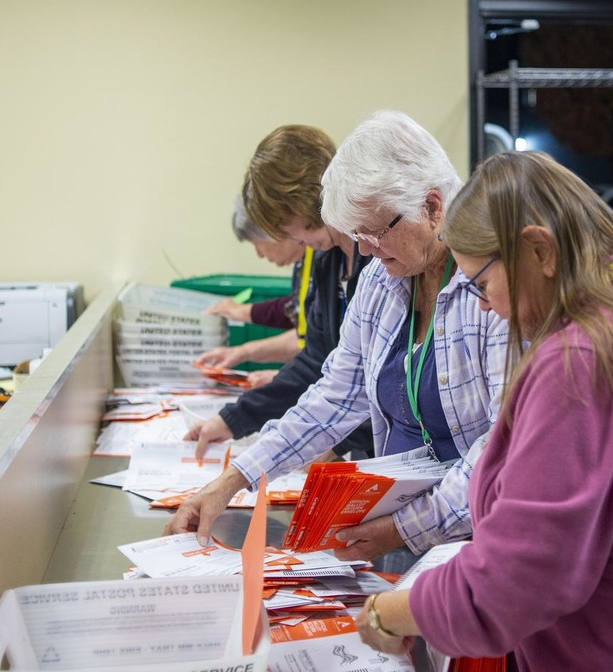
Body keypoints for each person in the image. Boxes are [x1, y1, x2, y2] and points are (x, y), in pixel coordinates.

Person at [354, 151, 613, 672]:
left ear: (539, 249)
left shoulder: (582, 361)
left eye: (480, 285)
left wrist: (393, 613)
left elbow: (518, 577)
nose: (483, 306)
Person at [166, 112, 508, 562]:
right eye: (356, 235)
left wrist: (404, 528)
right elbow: (335, 396)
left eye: (374, 232)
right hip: (396, 528)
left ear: (432, 207)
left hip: (469, 541)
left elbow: (500, 448)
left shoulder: (493, 293)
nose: (364, 250)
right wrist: (235, 478)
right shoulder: (382, 281)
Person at [186, 124, 374, 461]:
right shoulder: (326, 259)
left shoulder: (378, 257)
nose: (295, 241)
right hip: (359, 449)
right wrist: (234, 419)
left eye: (294, 228)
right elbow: (315, 361)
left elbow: (385, 382)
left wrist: (337, 441)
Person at [197, 196, 311, 387]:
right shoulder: (307, 259)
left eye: (257, 243)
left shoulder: (322, 253)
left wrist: (281, 377)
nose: (259, 254)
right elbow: (305, 329)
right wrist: (242, 352)